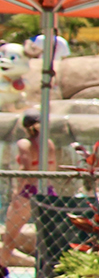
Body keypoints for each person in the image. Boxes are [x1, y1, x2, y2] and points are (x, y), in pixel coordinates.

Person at [3, 111, 57, 267]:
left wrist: (17, 192)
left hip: (28, 190)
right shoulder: (49, 143)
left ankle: (2, 266)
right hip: (48, 189)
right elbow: (52, 167)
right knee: (47, 234)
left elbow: (27, 169)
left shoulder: (24, 144)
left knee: (10, 234)